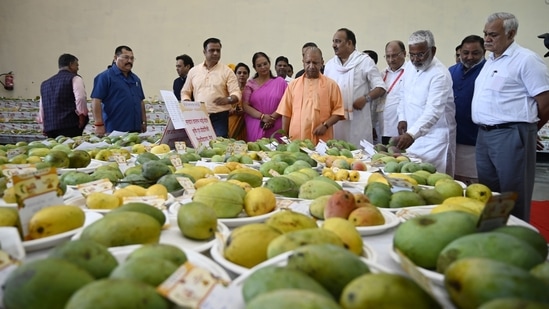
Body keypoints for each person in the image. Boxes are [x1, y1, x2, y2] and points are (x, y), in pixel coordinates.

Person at [472, 12, 549, 221]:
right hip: (485, 135)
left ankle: (515, 240)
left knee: (512, 193)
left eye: (493, 35)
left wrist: (528, 130)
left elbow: (545, 102)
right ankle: (494, 233)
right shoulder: (490, 61)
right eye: (485, 34)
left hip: (511, 133)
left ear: (511, 33)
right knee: (489, 192)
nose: (487, 38)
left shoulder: (526, 60)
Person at [395, 30, 456, 176]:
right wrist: (402, 117)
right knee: (412, 179)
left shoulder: (439, 75)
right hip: (413, 136)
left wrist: (412, 134)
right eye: (412, 54)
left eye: (421, 54)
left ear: (433, 50)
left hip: (435, 141)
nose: (416, 59)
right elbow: (403, 93)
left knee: (433, 181)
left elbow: (433, 111)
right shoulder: (410, 66)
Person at [324, 28, 386, 145]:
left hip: (358, 121)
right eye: (333, 41)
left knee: (359, 156)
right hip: (336, 122)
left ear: (349, 43)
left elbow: (380, 87)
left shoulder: (364, 61)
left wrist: (365, 98)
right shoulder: (330, 65)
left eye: (338, 41)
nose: (334, 45)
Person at [276, 47, 345, 144]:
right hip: (296, 139)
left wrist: (325, 125)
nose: (311, 66)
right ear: (303, 62)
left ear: (322, 63)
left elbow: (338, 112)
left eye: (315, 63)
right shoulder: (293, 85)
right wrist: (284, 136)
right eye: (308, 62)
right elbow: (286, 113)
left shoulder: (331, 85)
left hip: (322, 138)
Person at [181, 38, 241, 138]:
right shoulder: (194, 71)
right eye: (212, 50)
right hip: (198, 116)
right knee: (200, 145)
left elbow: (236, 92)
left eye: (218, 50)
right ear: (204, 52)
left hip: (220, 116)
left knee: (219, 145)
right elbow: (185, 91)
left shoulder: (227, 71)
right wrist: (187, 102)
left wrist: (228, 99)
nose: (215, 53)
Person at [449, 35, 486, 185]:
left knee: (474, 184)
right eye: (465, 53)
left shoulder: (488, 71)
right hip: (452, 137)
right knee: (453, 182)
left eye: (475, 53)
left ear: (484, 52)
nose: (469, 57)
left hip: (476, 139)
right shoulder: (450, 71)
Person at [91, 45, 146, 135]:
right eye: (126, 57)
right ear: (115, 58)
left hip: (136, 130)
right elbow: (96, 100)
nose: (129, 61)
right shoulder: (105, 77)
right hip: (114, 130)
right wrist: (99, 124)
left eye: (132, 58)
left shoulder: (136, 79)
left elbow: (141, 101)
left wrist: (143, 122)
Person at [38, 53, 89, 138]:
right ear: (71, 64)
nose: (78, 68)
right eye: (77, 65)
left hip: (50, 127)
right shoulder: (75, 78)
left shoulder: (45, 83)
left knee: (55, 150)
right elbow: (80, 98)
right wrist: (82, 117)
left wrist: (44, 125)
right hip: (69, 125)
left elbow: (42, 106)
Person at [242, 52, 287, 142]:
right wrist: (262, 117)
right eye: (259, 65)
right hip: (256, 123)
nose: (263, 67)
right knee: (256, 151)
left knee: (277, 152)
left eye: (265, 64)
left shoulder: (280, 82)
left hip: (277, 122)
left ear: (269, 64)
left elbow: (286, 102)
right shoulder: (250, 84)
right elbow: (245, 106)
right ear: (255, 68)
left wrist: (272, 118)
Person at [378, 40, 407, 144]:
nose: (391, 60)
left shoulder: (410, 73)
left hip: (401, 128)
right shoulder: (382, 74)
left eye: (394, 56)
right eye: (387, 56)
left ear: (404, 54)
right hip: (383, 127)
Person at [229, 62, 249, 140]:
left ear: (248, 75)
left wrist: (245, 110)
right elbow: (223, 109)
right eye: (239, 73)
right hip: (232, 123)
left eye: (244, 73)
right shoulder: (230, 90)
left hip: (246, 123)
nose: (242, 75)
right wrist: (234, 110)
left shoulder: (251, 91)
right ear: (235, 75)